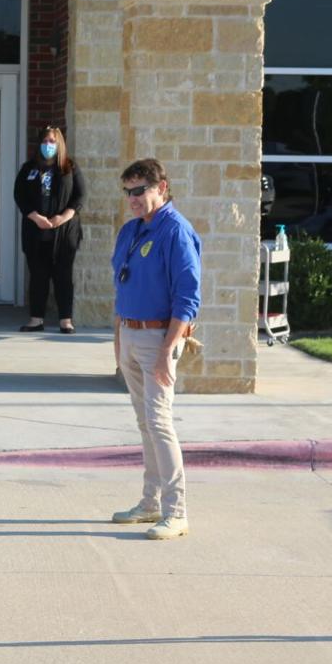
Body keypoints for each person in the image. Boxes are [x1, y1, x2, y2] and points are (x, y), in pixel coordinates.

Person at [110, 158, 202, 541]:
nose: (132, 198)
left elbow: (187, 297)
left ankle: (176, 511)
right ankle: (150, 502)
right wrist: (118, 340)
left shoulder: (175, 231)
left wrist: (168, 350)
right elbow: (122, 287)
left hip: (159, 339)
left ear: (161, 188)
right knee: (145, 423)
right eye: (128, 191)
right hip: (131, 335)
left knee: (160, 422)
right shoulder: (131, 231)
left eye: (140, 190)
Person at [13, 125, 86, 333]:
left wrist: (62, 217)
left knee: (63, 276)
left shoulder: (70, 167)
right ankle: (36, 320)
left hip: (64, 233)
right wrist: (35, 217)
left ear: (59, 144)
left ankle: (65, 320)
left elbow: (80, 196)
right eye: (45, 142)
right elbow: (19, 195)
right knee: (38, 275)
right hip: (36, 232)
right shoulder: (29, 168)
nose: (48, 145)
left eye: (52, 142)